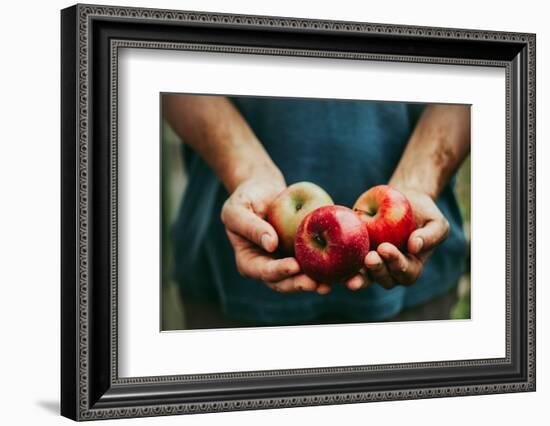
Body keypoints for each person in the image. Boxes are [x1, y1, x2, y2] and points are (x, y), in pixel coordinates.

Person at [163, 95, 470, 327]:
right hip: (225, 282)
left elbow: (475, 73)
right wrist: (246, 172)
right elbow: (172, 74)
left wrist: (418, 183)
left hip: (414, 297)